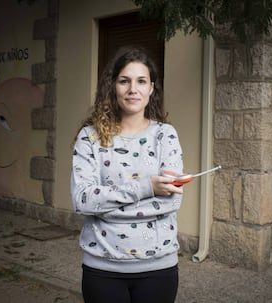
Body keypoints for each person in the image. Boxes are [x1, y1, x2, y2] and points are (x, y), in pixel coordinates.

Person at [70, 46, 184, 303]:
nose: (133, 89)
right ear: (113, 86)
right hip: (102, 269)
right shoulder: (90, 137)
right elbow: (83, 200)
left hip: (159, 269)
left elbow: (173, 200)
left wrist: (107, 206)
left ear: (151, 88)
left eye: (141, 81)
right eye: (125, 81)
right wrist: (148, 188)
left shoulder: (166, 135)